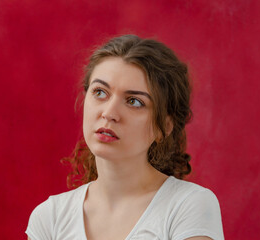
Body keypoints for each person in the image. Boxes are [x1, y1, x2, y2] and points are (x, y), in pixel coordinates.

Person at [26, 34, 224, 240]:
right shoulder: (50, 217)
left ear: (164, 127)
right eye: (100, 92)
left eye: (134, 101)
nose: (109, 113)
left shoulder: (189, 206)